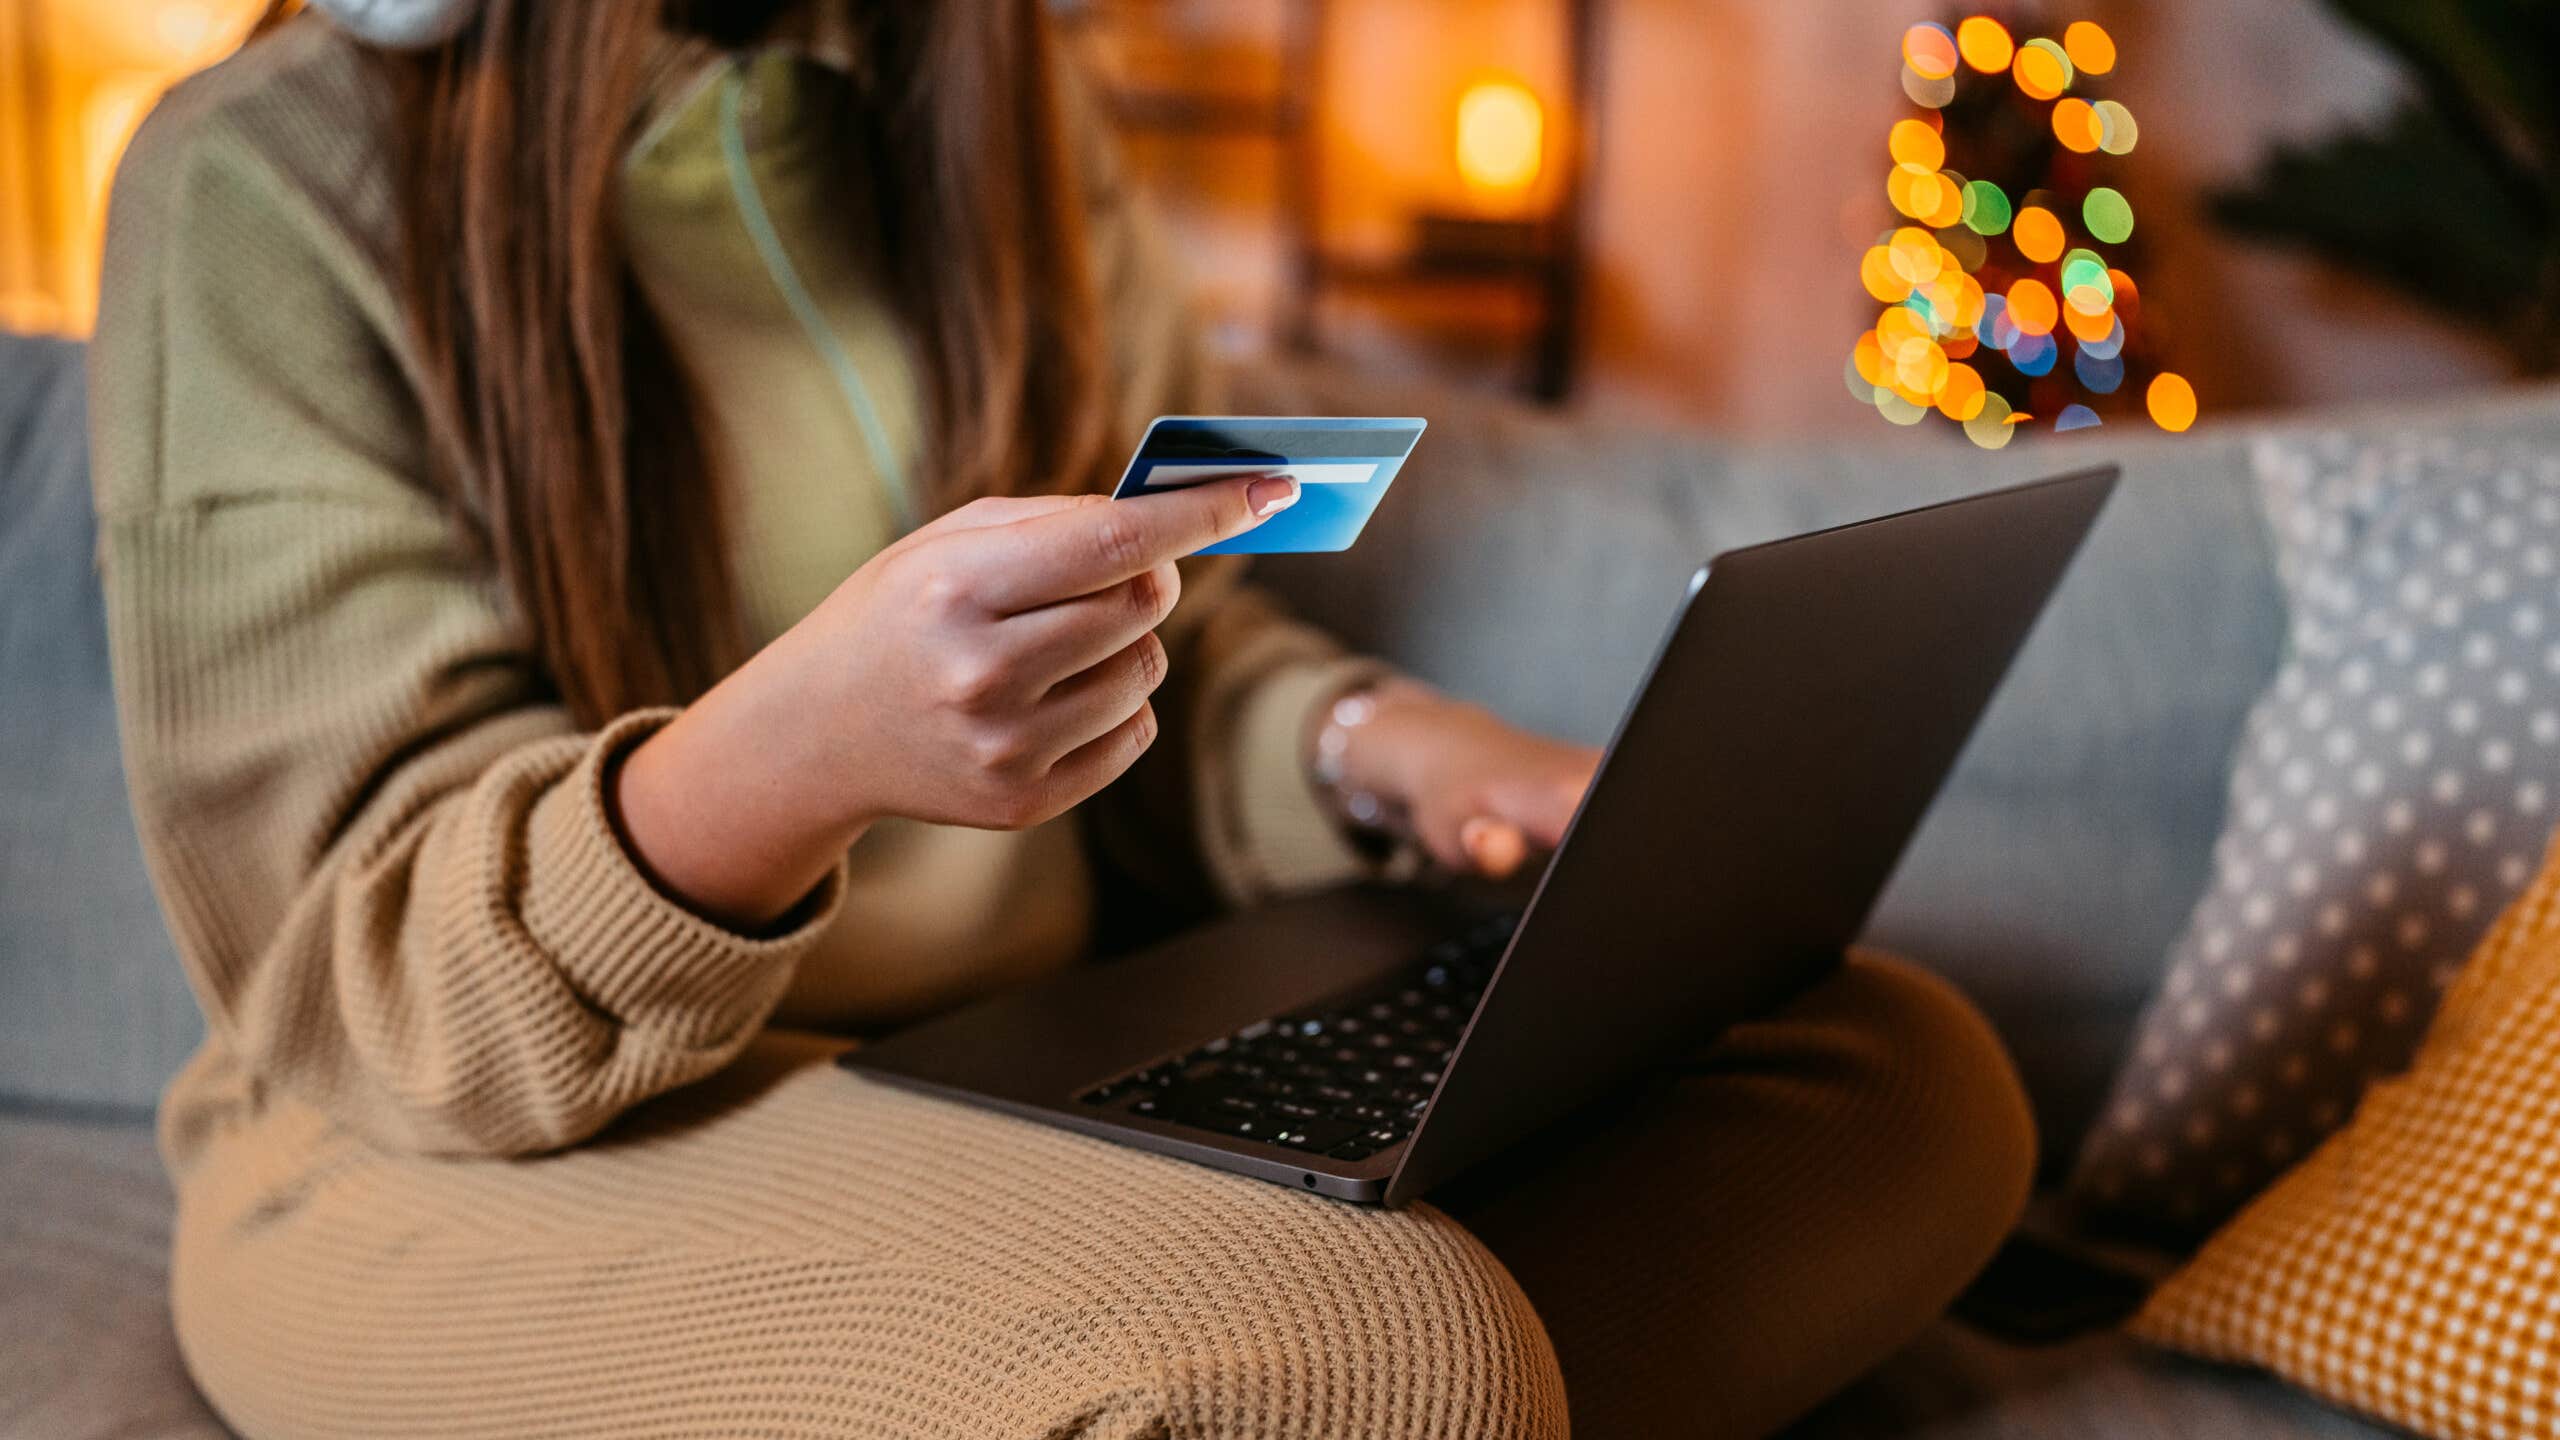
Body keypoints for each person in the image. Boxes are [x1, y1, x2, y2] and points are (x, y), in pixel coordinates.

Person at [87, 2, 2036, 1435]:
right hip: (444, 1149)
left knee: (1898, 1082)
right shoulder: (261, 185)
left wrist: (1391, 751)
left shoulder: (994, 126)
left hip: (1012, 1072)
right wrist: (801, 755)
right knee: (1387, 1353)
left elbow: (1154, 652)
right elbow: (374, 985)